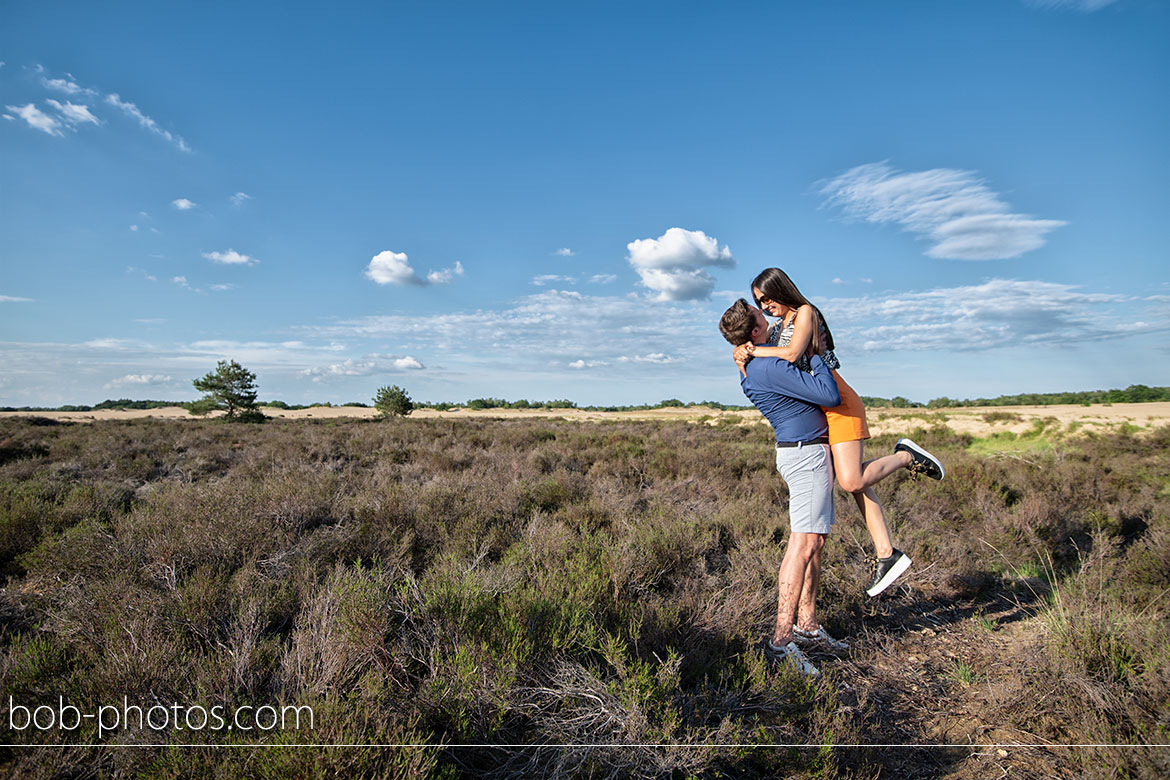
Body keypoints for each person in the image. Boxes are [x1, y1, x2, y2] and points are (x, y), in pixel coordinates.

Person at [732, 268, 944, 597]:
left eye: (768, 298)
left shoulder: (805, 313)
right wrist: (741, 349)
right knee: (857, 481)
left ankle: (905, 456)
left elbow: (791, 355)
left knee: (852, 480)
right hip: (819, 406)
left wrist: (755, 351)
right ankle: (887, 554)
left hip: (838, 401)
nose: (766, 305)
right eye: (761, 302)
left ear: (781, 290)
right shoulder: (775, 327)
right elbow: (767, 350)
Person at [719, 298, 847, 678]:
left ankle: (806, 625)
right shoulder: (767, 366)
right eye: (764, 318)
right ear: (756, 332)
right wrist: (817, 354)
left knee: (815, 543)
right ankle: (780, 640)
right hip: (805, 456)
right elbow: (829, 395)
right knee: (803, 544)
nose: (773, 322)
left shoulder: (756, 361)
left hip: (807, 452)